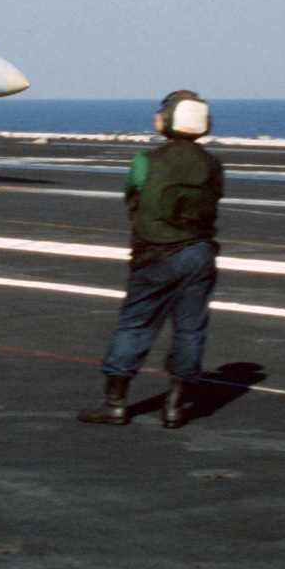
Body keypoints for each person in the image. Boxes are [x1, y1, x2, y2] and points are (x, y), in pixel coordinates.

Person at [78, 90, 223, 429]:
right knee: (190, 330)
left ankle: (115, 404)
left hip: (156, 255)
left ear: (165, 121)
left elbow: (132, 191)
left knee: (136, 326)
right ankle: (174, 407)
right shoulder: (214, 164)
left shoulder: (146, 160)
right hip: (200, 254)